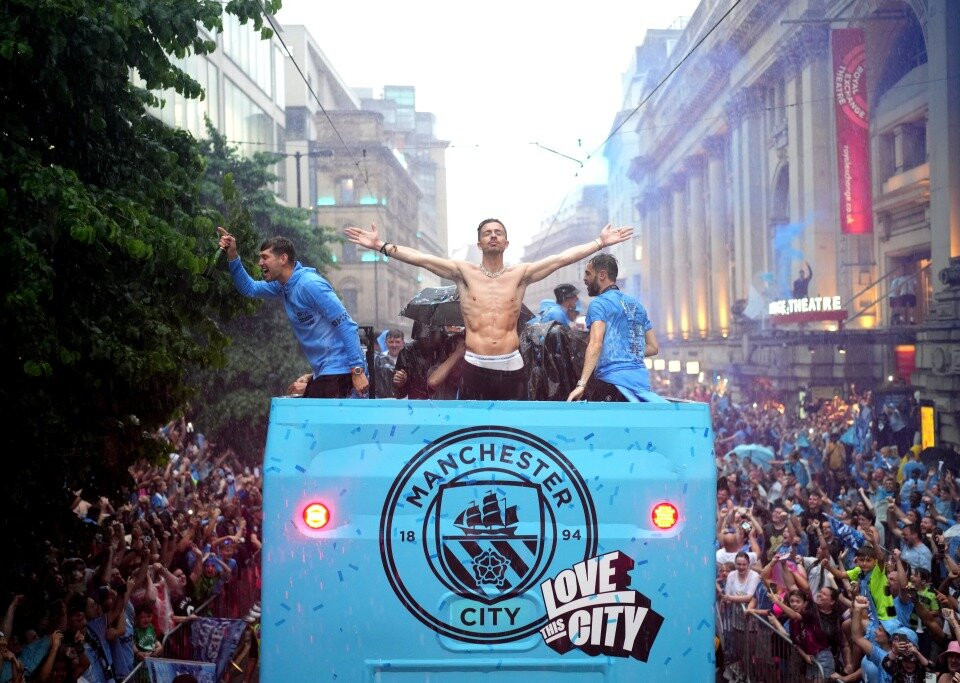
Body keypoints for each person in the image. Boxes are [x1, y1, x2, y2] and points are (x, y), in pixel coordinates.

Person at [344, 219, 634, 400]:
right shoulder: (463, 272)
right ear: (479, 242)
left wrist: (600, 242)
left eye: (498, 233)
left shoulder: (520, 274)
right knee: (474, 432)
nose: (493, 236)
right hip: (475, 365)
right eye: (487, 233)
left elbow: (560, 259)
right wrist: (380, 245)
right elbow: (421, 258)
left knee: (513, 433)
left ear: (506, 242)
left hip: (512, 365)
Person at [216, 229, 368, 398]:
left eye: (265, 257)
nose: (260, 263)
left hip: (341, 369)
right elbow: (249, 288)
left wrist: (357, 370)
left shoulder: (310, 284)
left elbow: (346, 325)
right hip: (326, 371)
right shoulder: (283, 286)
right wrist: (232, 254)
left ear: (283, 258)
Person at [566, 254, 661, 402]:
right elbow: (653, 347)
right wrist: (626, 352)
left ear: (602, 275)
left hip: (612, 385)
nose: (584, 278)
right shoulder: (637, 305)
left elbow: (596, 344)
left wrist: (581, 384)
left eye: (588, 273)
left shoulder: (599, 304)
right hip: (641, 385)